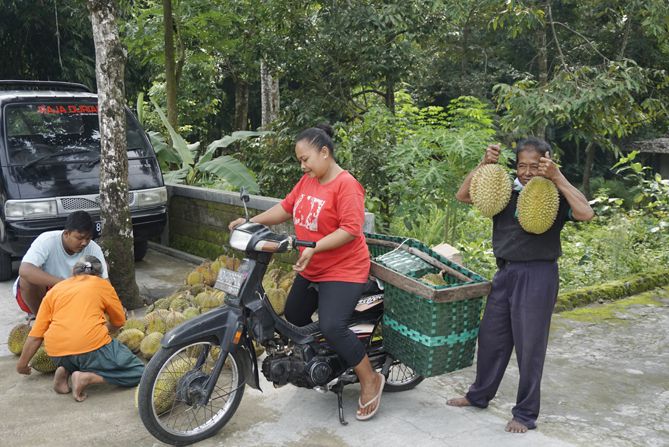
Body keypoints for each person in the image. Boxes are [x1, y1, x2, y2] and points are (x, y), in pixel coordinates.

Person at [228, 124, 385, 421]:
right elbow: (286, 208)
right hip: (312, 267)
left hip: (344, 269)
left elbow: (351, 230)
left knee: (332, 325)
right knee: (295, 317)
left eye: (305, 159)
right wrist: (250, 223)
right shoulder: (308, 182)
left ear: (324, 153)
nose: (303, 166)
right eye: (300, 160)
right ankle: (327, 362)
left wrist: (315, 246)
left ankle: (369, 378)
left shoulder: (346, 185)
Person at [447, 138, 594, 433]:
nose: (526, 172)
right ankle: (479, 395)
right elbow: (463, 195)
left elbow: (586, 213)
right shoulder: (503, 190)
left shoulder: (554, 193)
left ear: (545, 162)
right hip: (505, 272)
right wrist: (485, 164)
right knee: (491, 338)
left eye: (533, 165)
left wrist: (557, 176)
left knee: (530, 346)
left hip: (538, 275)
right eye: (521, 165)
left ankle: (525, 414)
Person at [16, 255, 144, 402]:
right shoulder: (102, 284)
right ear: (100, 274)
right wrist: (104, 330)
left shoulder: (56, 290)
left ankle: (64, 372)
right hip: (89, 348)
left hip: (57, 353)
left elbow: (36, 335)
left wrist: (22, 364)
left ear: (73, 271)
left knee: (77, 355)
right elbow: (119, 320)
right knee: (141, 372)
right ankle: (86, 378)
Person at [14, 210, 108, 316]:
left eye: (88, 238)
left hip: (72, 293)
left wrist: (113, 306)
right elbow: (25, 270)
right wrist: (64, 284)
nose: (84, 243)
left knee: (100, 268)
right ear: (66, 233)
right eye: (80, 238)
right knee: (27, 279)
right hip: (44, 292)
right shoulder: (47, 240)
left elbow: (104, 282)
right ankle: (41, 318)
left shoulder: (93, 248)